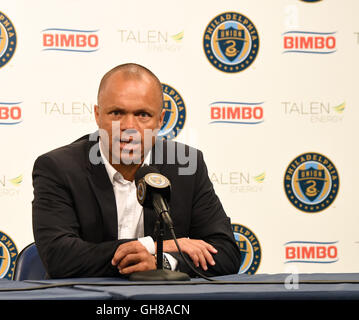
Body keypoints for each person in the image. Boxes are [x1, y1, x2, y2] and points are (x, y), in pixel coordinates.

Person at [32, 63, 241, 278]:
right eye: (116, 113)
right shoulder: (58, 168)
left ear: (160, 120)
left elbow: (226, 252)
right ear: (97, 115)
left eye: (142, 115)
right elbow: (59, 257)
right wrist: (155, 246)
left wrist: (162, 263)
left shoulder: (186, 166)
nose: (129, 126)